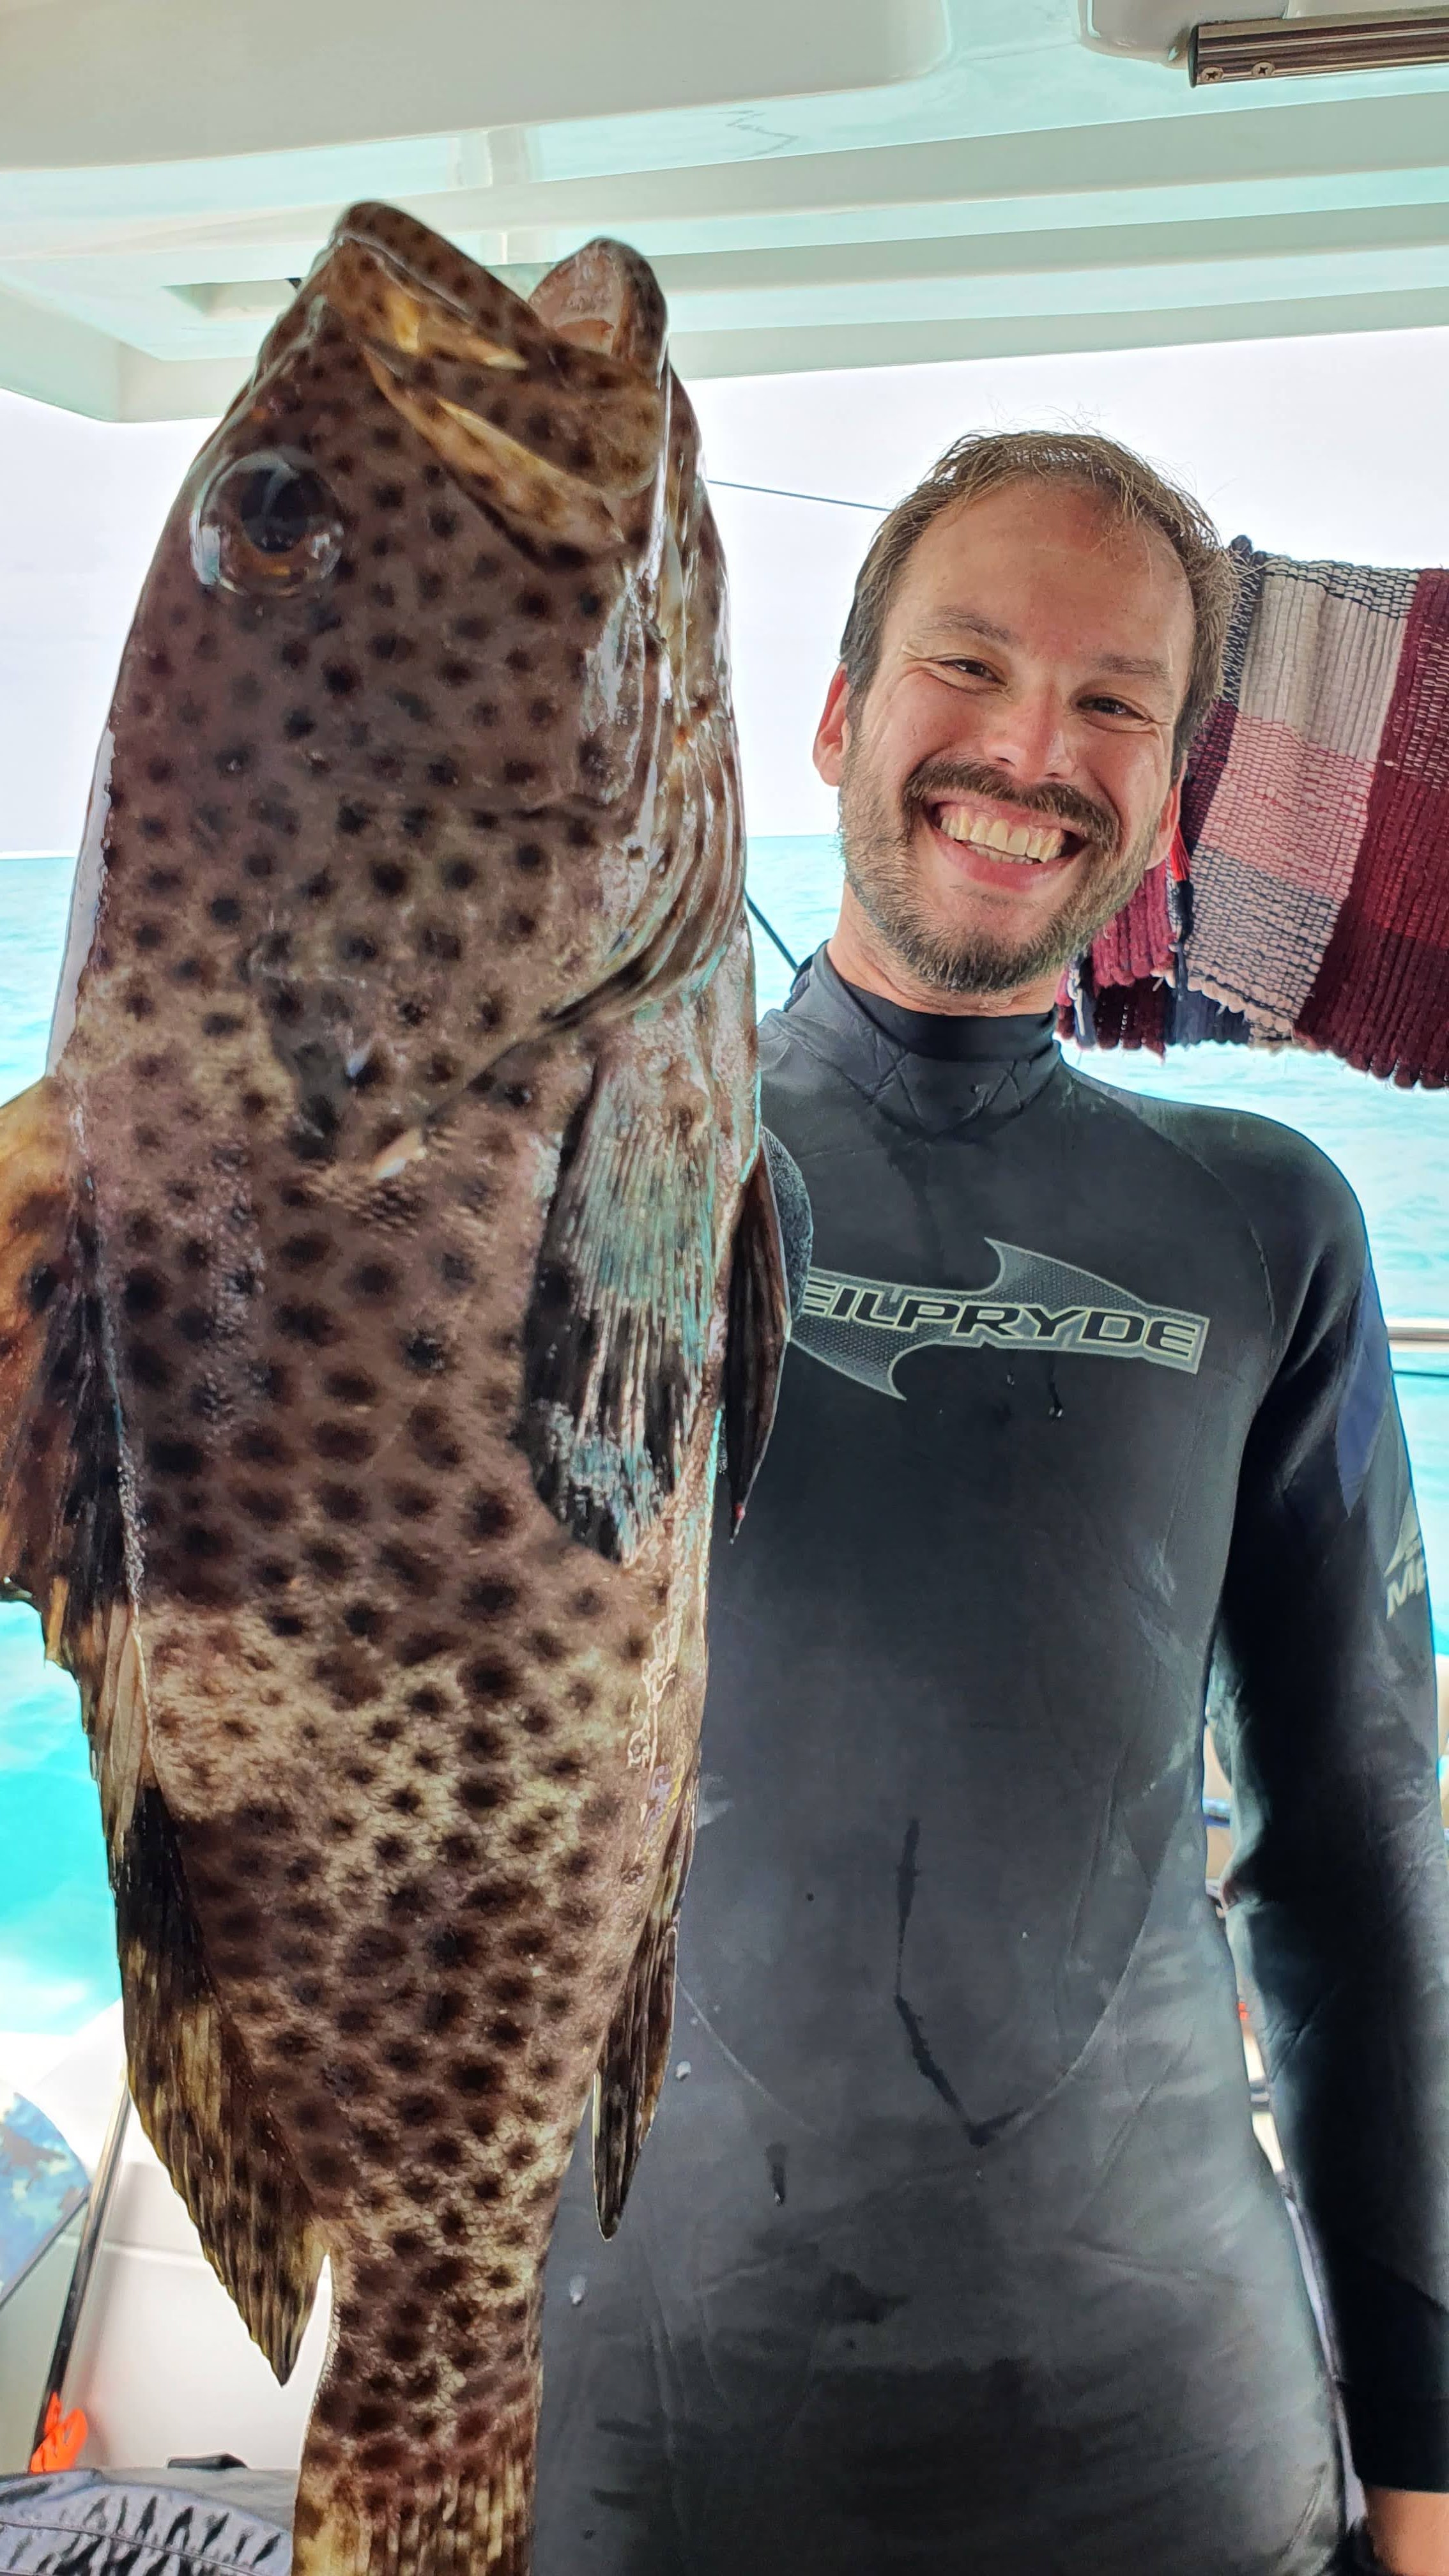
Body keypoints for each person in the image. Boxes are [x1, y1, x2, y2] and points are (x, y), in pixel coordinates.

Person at [533, 431, 1449, 2576]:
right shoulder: (550, 1180)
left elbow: (1363, 1872)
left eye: (1113, 699)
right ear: (838, 717)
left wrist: (1420, 2473)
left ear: (1169, 791)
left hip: (1172, 2435)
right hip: (614, 2424)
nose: (1030, 749)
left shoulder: (1263, 1222)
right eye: (967, 665)